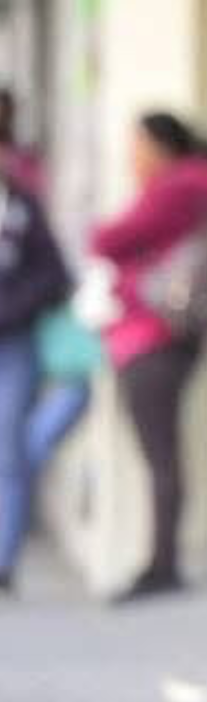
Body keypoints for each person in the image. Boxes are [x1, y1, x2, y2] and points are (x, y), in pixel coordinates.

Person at [91, 111, 207, 602]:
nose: (131, 156)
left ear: (161, 147)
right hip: (169, 333)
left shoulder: (177, 189)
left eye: (137, 144)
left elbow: (106, 239)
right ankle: (161, 559)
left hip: (152, 335)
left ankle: (162, 564)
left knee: (160, 455)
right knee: (162, 453)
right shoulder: (201, 186)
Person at [0, 176, 71, 594]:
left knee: (8, 454)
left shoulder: (20, 207)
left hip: (13, 343)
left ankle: (4, 561)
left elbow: (53, 273)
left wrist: (11, 310)